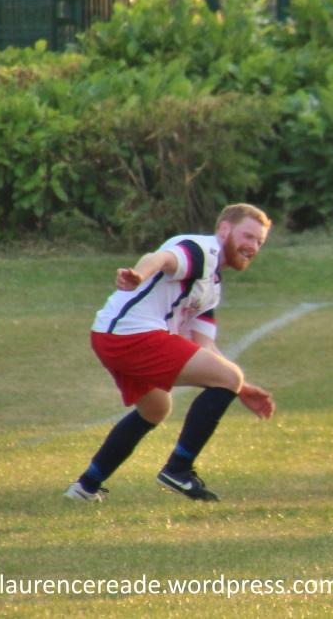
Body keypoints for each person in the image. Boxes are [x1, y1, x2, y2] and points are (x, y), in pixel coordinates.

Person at [65, 203, 275, 503]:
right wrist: (139, 274)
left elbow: (204, 344)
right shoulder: (203, 251)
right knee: (228, 377)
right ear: (224, 229)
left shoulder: (212, 284)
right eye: (248, 236)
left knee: (155, 409)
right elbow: (161, 258)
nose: (253, 246)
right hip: (131, 334)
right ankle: (178, 469)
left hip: (112, 335)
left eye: (259, 242)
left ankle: (85, 487)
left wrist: (239, 387)